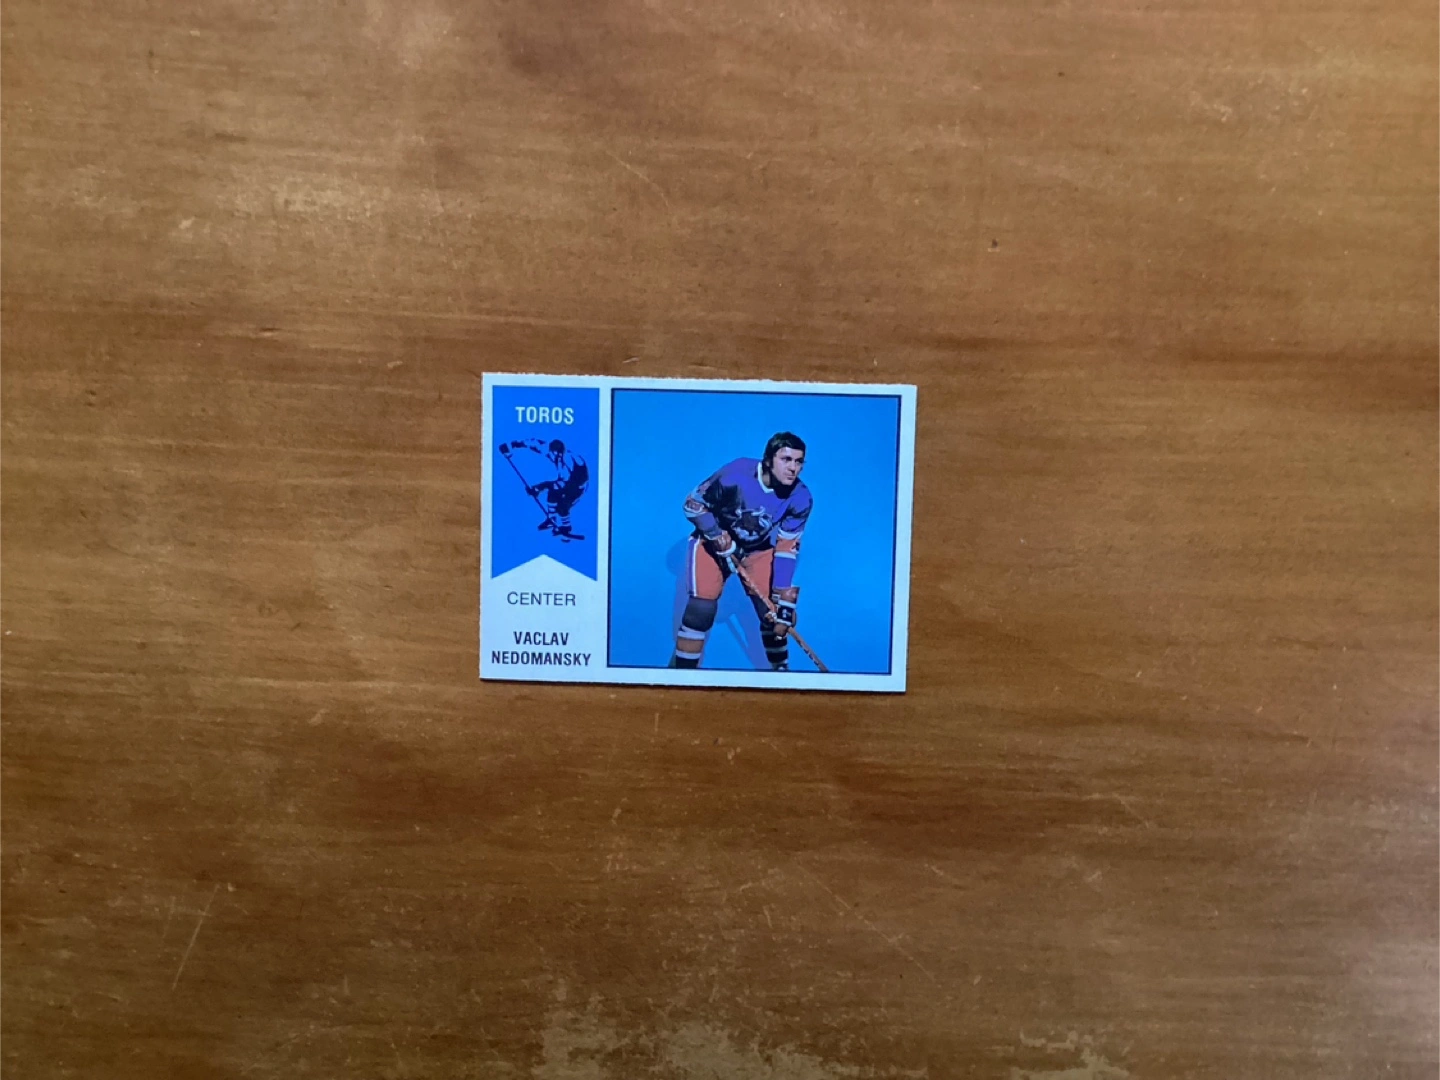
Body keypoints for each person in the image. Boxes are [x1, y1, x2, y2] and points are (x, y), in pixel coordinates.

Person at [672, 432, 812, 670]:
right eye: (786, 459)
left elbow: (787, 548)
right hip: (712, 544)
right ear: (768, 460)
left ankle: (782, 675)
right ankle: (683, 675)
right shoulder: (735, 475)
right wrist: (716, 535)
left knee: (774, 617)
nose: (793, 468)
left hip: (756, 549)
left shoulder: (801, 497)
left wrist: (781, 596)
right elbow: (692, 505)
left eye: (799, 462)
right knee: (701, 611)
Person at [504, 438, 588, 540]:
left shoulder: (569, 461)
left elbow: (564, 484)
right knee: (552, 494)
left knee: (562, 505)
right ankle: (552, 519)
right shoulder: (550, 451)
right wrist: (513, 445)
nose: (555, 456)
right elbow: (535, 443)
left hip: (577, 486)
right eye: (554, 454)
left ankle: (567, 527)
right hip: (566, 482)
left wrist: (539, 488)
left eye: (558, 454)